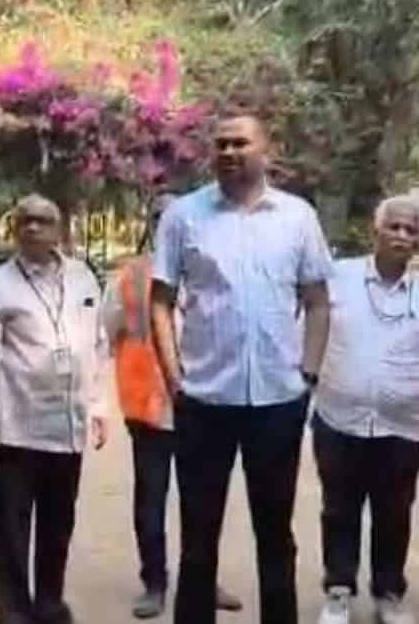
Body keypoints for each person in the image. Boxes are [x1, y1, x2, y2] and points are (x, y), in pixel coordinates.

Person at [151, 112, 333, 624]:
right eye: (221, 144)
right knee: (198, 536)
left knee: (275, 533)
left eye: (240, 143)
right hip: (204, 400)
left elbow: (318, 300)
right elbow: (160, 300)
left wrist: (309, 375)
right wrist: (174, 377)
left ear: (265, 151)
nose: (229, 152)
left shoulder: (297, 218)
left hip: (278, 401)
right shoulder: (184, 216)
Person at [0, 194, 109, 624]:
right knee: (10, 531)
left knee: (57, 525)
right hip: (15, 428)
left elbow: (97, 345)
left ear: (59, 230)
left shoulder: (83, 277)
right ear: (14, 229)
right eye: (24, 221)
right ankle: (13, 611)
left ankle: (49, 602)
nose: (32, 228)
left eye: (42, 221)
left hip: (68, 426)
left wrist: (99, 405)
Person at [103, 193, 242, 620]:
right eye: (163, 218)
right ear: (154, 224)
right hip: (148, 410)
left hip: (207, 404)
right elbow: (109, 336)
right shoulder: (128, 278)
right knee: (152, 500)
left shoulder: (215, 270)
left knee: (203, 501)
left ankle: (201, 579)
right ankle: (155, 583)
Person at [313, 196, 419, 624]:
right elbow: (310, 336)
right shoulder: (339, 278)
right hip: (338, 419)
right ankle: (338, 589)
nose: (402, 236)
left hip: (402, 427)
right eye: (395, 227)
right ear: (377, 230)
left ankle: (389, 593)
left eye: (411, 230)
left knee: (394, 513)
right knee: (339, 509)